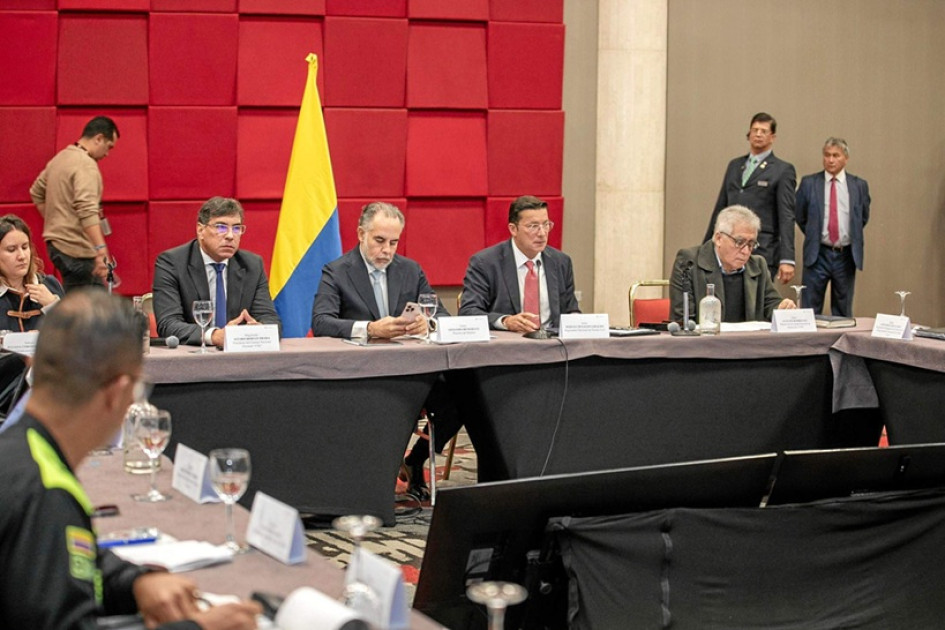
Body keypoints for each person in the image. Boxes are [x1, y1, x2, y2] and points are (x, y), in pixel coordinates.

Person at [0, 289, 261, 629]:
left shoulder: (24, 449)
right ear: (117, 393)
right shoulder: (44, 494)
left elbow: (55, 561)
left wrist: (134, 582)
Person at [311, 201, 460, 499]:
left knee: (463, 395)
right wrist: (369, 329)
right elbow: (321, 322)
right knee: (392, 402)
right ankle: (372, 479)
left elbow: (440, 315)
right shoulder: (338, 271)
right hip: (365, 373)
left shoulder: (410, 270)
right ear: (361, 234)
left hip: (414, 371)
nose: (387, 251)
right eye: (380, 241)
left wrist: (426, 325)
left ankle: (415, 460)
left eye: (394, 242)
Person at [153, 196, 281, 347]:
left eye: (236, 228)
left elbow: (270, 320)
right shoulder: (172, 263)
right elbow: (168, 324)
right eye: (221, 227)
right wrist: (213, 336)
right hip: (191, 359)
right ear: (200, 230)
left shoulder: (252, 265)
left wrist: (258, 331)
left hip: (240, 357)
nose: (229, 236)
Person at [459, 195, 580, 331]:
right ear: (513, 229)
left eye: (546, 225)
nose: (542, 233)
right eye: (533, 226)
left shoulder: (561, 262)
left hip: (553, 345)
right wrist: (505, 321)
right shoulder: (485, 263)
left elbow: (571, 311)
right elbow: (469, 312)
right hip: (507, 346)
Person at [704, 112, 797, 285]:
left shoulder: (782, 170)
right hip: (728, 248)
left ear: (772, 137)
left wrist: (787, 258)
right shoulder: (735, 165)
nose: (758, 134)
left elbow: (786, 215)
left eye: (763, 131)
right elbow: (721, 208)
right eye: (755, 130)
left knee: (756, 303)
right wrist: (707, 246)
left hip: (762, 249)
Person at [30, 116, 119, 292]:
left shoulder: (60, 158)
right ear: (98, 138)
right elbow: (87, 209)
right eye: (108, 147)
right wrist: (101, 249)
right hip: (77, 249)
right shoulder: (86, 165)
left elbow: (36, 192)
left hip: (56, 246)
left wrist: (56, 222)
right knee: (90, 310)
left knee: (75, 302)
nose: (107, 153)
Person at [673, 205, 796, 323]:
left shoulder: (758, 265)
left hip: (748, 342)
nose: (746, 251)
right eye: (739, 242)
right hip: (705, 342)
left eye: (751, 244)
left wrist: (782, 307)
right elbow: (683, 318)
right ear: (719, 238)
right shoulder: (689, 262)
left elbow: (770, 302)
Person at [795, 138, 871, 316]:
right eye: (827, 155)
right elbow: (800, 216)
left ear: (846, 158)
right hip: (817, 253)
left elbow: (862, 218)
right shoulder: (809, 183)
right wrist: (815, 235)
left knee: (843, 310)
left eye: (836, 155)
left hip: (845, 255)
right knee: (809, 310)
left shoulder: (859, 185)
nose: (830, 160)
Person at [0, 214, 63, 332]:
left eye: (25, 247)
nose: (22, 256)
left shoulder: (49, 284)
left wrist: (53, 305)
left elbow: (74, 337)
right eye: (11, 250)